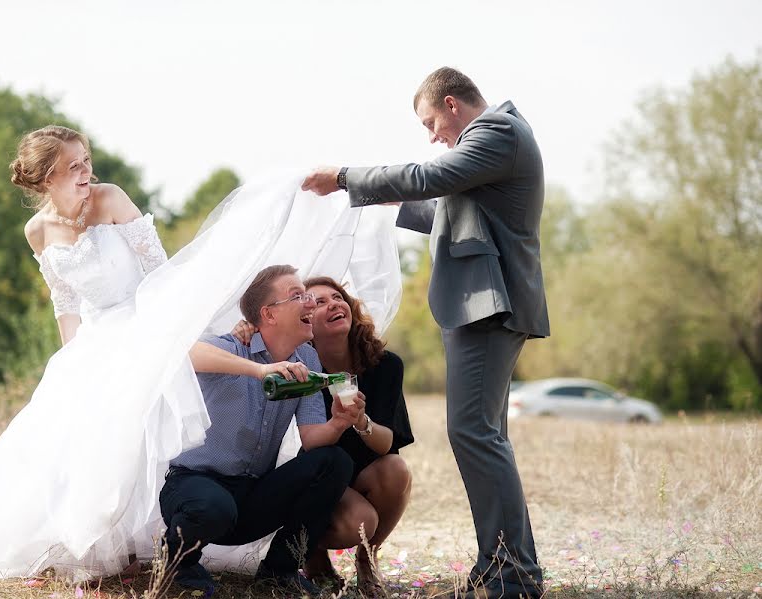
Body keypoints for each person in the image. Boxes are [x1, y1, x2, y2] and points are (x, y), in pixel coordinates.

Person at [302, 67, 549, 599]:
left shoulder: (497, 132)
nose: (432, 135)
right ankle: (504, 564)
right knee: (485, 436)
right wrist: (390, 204)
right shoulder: (496, 144)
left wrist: (346, 177)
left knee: (475, 435)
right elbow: (445, 209)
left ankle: (513, 574)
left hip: (489, 306)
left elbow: (430, 177)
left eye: (431, 122)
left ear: (454, 104)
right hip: (483, 304)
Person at [0, 126, 211, 580]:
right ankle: (89, 544)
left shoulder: (110, 198)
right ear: (45, 178)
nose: (86, 173)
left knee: (135, 431)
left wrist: (166, 334)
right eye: (73, 167)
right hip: (93, 339)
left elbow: (162, 272)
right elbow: (65, 300)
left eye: (86, 161)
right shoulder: (37, 231)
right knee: (74, 434)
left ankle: (154, 542)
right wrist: (71, 359)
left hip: (144, 325)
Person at [160, 265, 361, 597]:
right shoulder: (234, 347)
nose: (310, 303)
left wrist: (339, 423)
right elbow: (184, 354)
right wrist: (261, 369)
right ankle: (179, 562)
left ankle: (279, 571)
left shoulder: (307, 360)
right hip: (194, 488)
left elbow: (312, 438)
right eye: (299, 296)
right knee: (214, 507)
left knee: (334, 461)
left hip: (251, 497)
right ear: (268, 314)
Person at [304, 276, 414, 597]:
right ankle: (313, 555)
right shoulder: (298, 370)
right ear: (304, 323)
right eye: (319, 302)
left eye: (337, 297)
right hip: (316, 478)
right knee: (358, 520)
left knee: (397, 470)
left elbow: (387, 444)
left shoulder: (385, 365)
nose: (334, 303)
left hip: (364, 473)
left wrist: (360, 420)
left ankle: (366, 562)